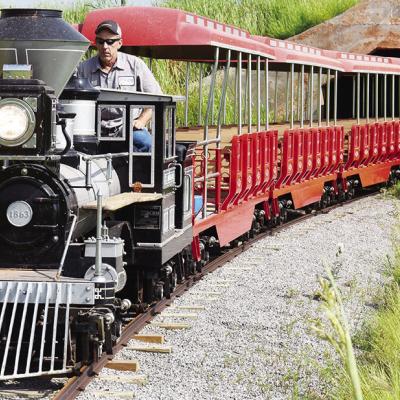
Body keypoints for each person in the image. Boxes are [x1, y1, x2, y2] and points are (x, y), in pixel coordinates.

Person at [77, 20, 162, 152]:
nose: (105, 46)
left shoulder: (135, 65)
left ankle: (139, 173)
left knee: (148, 145)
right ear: (96, 43)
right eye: (100, 41)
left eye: (110, 42)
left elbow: (157, 98)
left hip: (127, 128)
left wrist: (141, 120)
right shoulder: (83, 69)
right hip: (93, 130)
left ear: (119, 43)